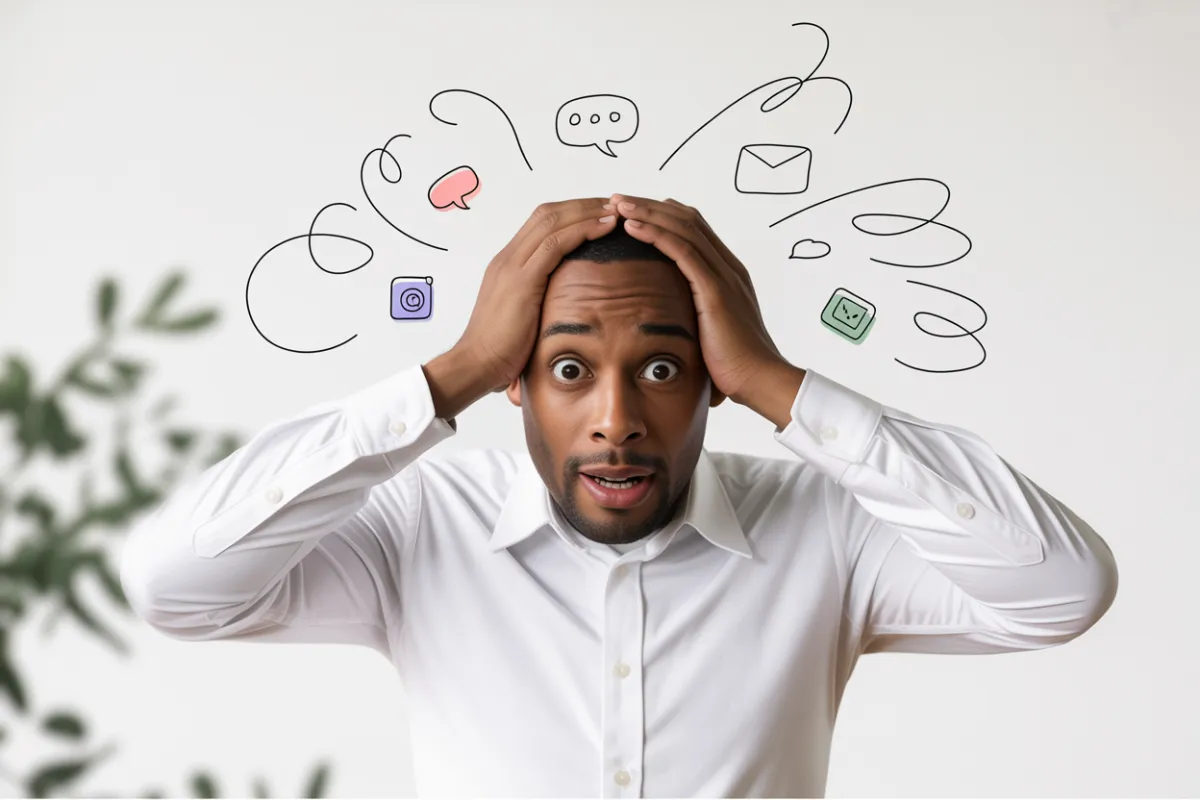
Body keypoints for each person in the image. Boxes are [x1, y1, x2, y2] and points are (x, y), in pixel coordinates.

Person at [119, 194, 1119, 798]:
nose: (614, 419)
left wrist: (780, 381)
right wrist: (453, 368)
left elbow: (1061, 588)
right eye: (566, 369)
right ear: (514, 376)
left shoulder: (826, 531)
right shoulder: (421, 527)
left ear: (712, 377)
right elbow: (175, 582)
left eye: (660, 369)